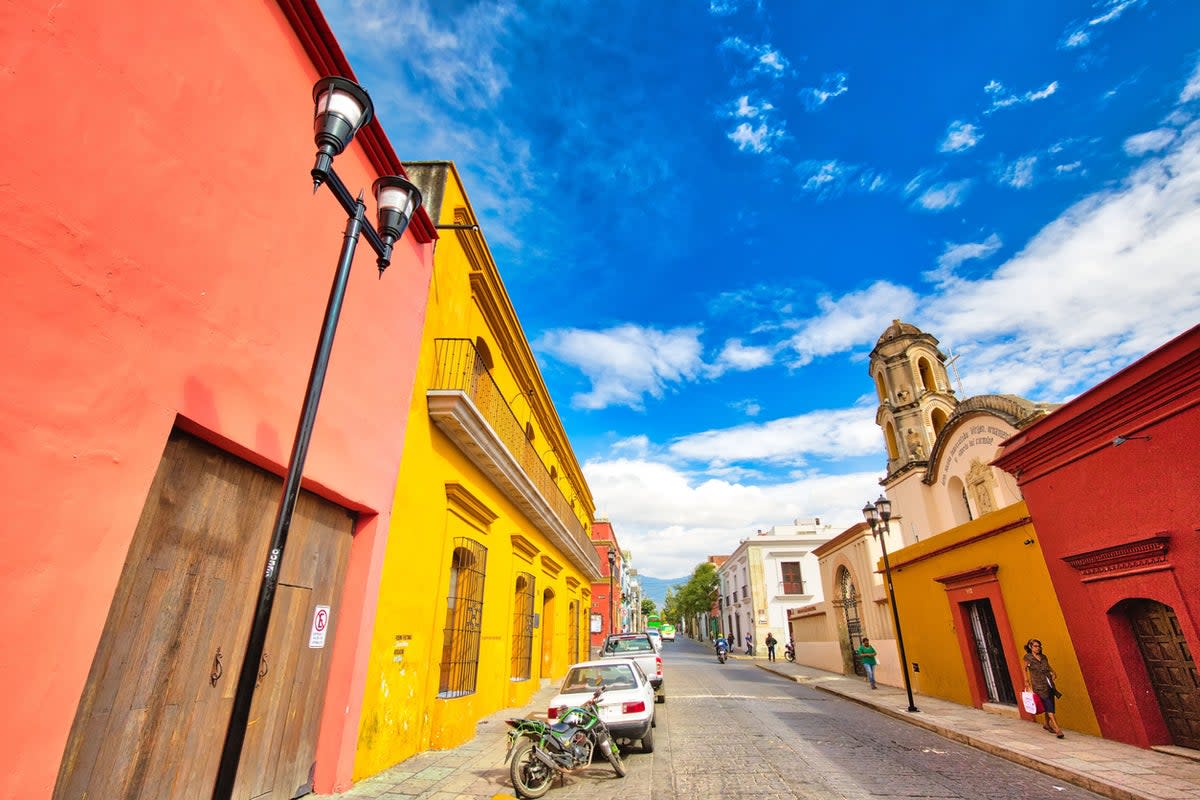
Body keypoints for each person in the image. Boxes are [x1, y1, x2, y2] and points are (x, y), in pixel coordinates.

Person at [1023, 638, 1065, 738]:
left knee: (1050, 703)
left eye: (1039, 646)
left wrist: (1053, 672)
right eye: (1035, 646)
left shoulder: (1043, 657)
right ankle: (1057, 728)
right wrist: (1026, 682)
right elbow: (1024, 669)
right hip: (1038, 685)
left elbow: (1048, 666)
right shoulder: (1028, 658)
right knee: (1048, 705)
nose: (1038, 648)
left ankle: (1046, 724)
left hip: (1049, 684)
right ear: (1030, 647)